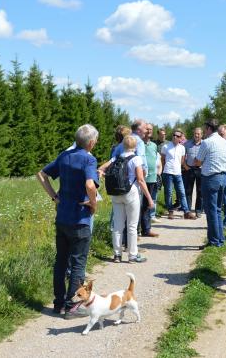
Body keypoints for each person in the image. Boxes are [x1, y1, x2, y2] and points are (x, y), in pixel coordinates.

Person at [36, 124, 99, 319]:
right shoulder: (89, 159)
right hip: (80, 218)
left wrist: (55, 197)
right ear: (91, 142)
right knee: (78, 263)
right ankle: (73, 308)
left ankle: (58, 304)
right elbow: (90, 184)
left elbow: (41, 174)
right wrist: (93, 203)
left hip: (62, 216)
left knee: (61, 261)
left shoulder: (64, 156)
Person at [99, 135, 154, 263]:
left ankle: (117, 255)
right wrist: (149, 199)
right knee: (132, 226)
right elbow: (140, 180)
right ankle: (132, 256)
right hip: (131, 193)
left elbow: (101, 168)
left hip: (116, 194)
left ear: (123, 145)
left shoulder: (115, 158)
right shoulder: (136, 159)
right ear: (135, 146)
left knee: (118, 225)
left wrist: (103, 175)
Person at [195, 119, 226, 248]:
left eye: (205, 128)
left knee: (211, 211)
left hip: (210, 178)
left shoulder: (207, 142)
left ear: (209, 128)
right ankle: (219, 239)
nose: (204, 130)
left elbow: (198, 161)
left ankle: (214, 241)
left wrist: (197, 161)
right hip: (222, 177)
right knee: (218, 210)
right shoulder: (223, 141)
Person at [161, 129, 197, 220]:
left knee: (181, 192)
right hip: (168, 172)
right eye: (174, 135)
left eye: (177, 136)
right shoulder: (165, 147)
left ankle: (186, 212)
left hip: (178, 173)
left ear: (181, 138)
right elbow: (162, 160)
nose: (174, 137)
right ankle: (170, 211)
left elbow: (182, 160)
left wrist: (185, 167)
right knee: (168, 193)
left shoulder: (182, 148)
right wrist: (162, 171)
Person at [140, 123, 160, 237]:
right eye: (147, 129)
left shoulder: (153, 145)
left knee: (148, 204)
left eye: (151, 129)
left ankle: (146, 229)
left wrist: (158, 172)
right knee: (140, 205)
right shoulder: (139, 144)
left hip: (152, 178)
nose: (149, 131)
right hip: (141, 178)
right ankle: (137, 230)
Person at [183, 127, 203, 217]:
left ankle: (198, 210)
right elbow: (182, 156)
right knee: (188, 190)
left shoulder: (205, 144)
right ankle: (188, 210)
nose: (196, 135)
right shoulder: (187, 144)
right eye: (195, 133)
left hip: (200, 169)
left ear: (201, 135)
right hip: (189, 169)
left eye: (198, 134)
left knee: (200, 191)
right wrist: (185, 166)